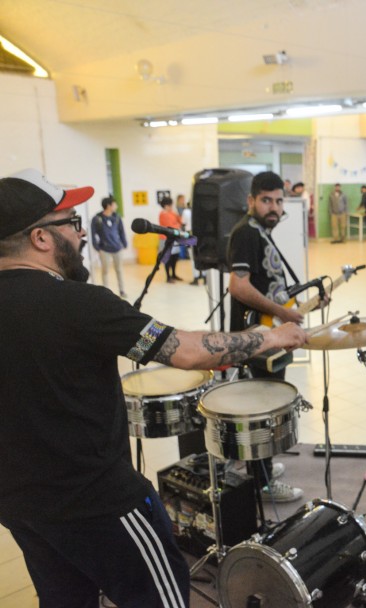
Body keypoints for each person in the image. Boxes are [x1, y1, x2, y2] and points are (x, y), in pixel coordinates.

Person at [0, 168, 311, 608]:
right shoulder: (79, 304)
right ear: (41, 238)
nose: (81, 234)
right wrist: (275, 336)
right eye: (72, 223)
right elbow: (186, 352)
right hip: (100, 504)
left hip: (20, 505)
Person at [227, 170, 306, 503]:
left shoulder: (262, 232)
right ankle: (262, 484)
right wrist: (284, 313)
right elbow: (240, 286)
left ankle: (262, 469)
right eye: (266, 200)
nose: (273, 207)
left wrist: (294, 302)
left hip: (268, 336)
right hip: (255, 336)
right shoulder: (246, 232)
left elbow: (265, 281)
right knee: (263, 408)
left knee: (268, 403)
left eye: (278, 201)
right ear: (251, 201)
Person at [90, 195, 128, 297]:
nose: (116, 206)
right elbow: (92, 234)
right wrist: (96, 246)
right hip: (104, 249)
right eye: (114, 204)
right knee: (105, 270)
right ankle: (106, 292)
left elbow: (121, 231)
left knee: (119, 270)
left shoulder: (117, 217)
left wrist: (124, 243)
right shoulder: (97, 218)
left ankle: (122, 290)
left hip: (117, 248)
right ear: (108, 206)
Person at [158, 196, 183, 282]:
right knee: (167, 258)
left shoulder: (172, 213)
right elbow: (170, 226)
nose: (171, 207)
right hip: (165, 239)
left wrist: (177, 222)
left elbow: (180, 220)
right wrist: (177, 225)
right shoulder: (162, 214)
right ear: (165, 206)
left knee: (175, 257)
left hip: (174, 238)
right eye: (170, 205)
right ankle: (168, 277)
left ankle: (174, 274)